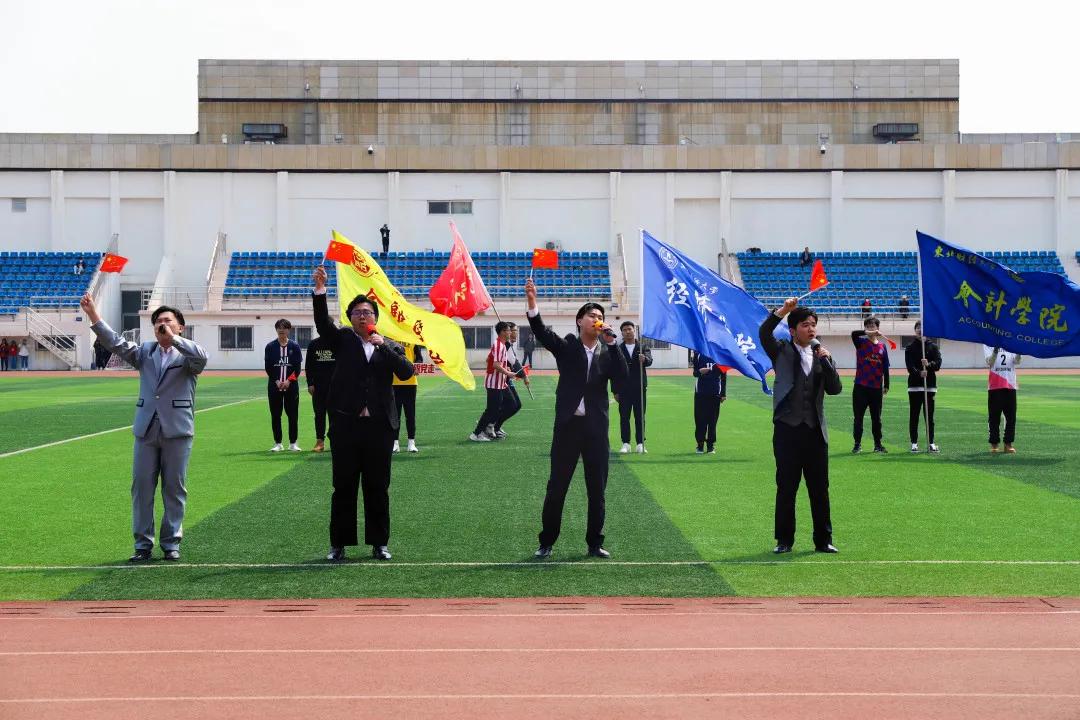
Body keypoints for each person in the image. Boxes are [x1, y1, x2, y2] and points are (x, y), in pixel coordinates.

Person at [80, 293, 208, 562]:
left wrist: (173, 340)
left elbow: (202, 359)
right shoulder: (146, 351)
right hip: (146, 429)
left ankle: (171, 543)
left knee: (174, 488)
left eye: (168, 321)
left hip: (177, 430)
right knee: (142, 488)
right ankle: (142, 545)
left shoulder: (187, 354)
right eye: (158, 321)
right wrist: (93, 315)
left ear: (180, 326)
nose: (162, 324)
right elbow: (115, 343)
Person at [313, 265, 414, 562]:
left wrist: (385, 348)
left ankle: (379, 543)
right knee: (343, 487)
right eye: (357, 312)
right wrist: (320, 291)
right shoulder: (342, 340)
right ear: (350, 318)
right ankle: (338, 544)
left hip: (380, 428)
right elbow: (322, 324)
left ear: (375, 318)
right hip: (346, 426)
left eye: (367, 312)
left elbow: (407, 372)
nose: (362, 316)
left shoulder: (389, 345)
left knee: (377, 487)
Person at [526, 277, 628, 560]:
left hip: (595, 430)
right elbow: (543, 333)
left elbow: (623, 379)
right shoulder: (569, 347)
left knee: (597, 491)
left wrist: (615, 344)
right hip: (568, 429)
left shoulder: (609, 352)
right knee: (557, 488)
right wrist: (533, 304)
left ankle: (594, 543)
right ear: (580, 321)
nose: (597, 320)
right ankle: (546, 541)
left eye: (601, 317)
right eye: (592, 316)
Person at [760, 298, 842, 554]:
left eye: (813, 325)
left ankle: (823, 540)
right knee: (787, 487)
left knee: (820, 489)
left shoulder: (822, 355)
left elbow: (835, 389)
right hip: (787, 430)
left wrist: (828, 363)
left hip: (816, 432)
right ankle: (784, 540)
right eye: (805, 325)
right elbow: (764, 333)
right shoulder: (781, 350)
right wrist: (783, 311)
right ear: (793, 330)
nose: (811, 329)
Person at [469, 321, 516, 442]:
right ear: (502, 332)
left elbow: (494, 362)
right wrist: (508, 372)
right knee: (491, 409)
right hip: (494, 383)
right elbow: (496, 365)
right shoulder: (499, 345)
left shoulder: (502, 344)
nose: (510, 332)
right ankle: (476, 433)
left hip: (501, 383)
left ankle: (492, 427)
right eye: (508, 330)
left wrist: (507, 369)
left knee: (512, 404)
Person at [851, 316, 890, 453]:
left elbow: (885, 367)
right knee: (858, 418)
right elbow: (854, 333)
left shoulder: (882, 346)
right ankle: (857, 444)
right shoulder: (860, 342)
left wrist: (887, 385)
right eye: (868, 326)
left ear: (878, 328)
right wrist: (869, 333)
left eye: (873, 326)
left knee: (876, 418)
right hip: (860, 386)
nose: (870, 328)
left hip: (876, 388)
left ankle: (878, 445)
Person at [613, 321, 652, 454]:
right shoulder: (618, 349)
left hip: (639, 388)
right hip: (623, 389)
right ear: (622, 333)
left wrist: (644, 359)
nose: (627, 331)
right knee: (624, 417)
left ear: (634, 331)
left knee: (640, 417)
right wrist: (615, 390)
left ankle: (640, 443)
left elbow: (650, 360)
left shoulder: (642, 347)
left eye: (630, 329)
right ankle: (626, 443)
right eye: (624, 330)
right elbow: (614, 372)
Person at [264, 319, 303, 452]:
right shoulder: (270, 347)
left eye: (284, 327)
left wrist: (288, 381)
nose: (281, 330)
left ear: (288, 330)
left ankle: (293, 443)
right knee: (276, 415)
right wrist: (276, 381)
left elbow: (297, 368)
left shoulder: (295, 346)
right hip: (274, 386)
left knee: (292, 415)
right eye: (279, 327)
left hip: (291, 387)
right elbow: (268, 367)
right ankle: (278, 443)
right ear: (276, 329)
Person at [906, 321, 941, 453]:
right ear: (915, 330)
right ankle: (914, 443)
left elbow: (938, 364)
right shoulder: (910, 347)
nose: (920, 330)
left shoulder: (933, 346)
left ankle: (931, 442)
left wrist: (929, 364)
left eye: (923, 328)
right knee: (914, 416)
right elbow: (909, 366)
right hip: (914, 386)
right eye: (918, 328)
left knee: (929, 417)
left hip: (929, 386)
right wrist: (919, 373)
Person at [493, 323, 529, 439]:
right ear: (506, 331)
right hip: (500, 380)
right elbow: (513, 362)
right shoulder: (504, 345)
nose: (515, 333)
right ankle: (490, 424)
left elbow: (514, 361)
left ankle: (494, 425)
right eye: (513, 330)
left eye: (515, 330)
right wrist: (524, 376)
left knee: (515, 405)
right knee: (512, 404)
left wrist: (523, 375)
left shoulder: (508, 345)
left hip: (507, 379)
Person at [305, 332, 337, 453]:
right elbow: (309, 366)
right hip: (318, 387)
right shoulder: (313, 344)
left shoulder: (337, 344)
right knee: (319, 414)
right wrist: (310, 383)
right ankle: (320, 441)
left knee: (335, 414)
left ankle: (335, 441)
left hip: (336, 387)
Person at [985, 345, 1020, 454]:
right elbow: (989, 362)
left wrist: (1019, 351)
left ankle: (1008, 444)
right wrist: (995, 351)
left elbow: (1017, 361)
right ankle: (994, 444)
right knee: (994, 417)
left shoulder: (1011, 342)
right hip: (995, 385)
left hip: (1010, 384)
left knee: (1011, 417)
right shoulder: (988, 343)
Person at [692, 352, 727, 454]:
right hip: (700, 392)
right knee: (700, 420)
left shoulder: (719, 354)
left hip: (715, 392)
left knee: (712, 421)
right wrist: (700, 371)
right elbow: (694, 373)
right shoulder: (698, 354)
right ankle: (700, 445)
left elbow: (723, 375)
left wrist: (723, 393)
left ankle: (710, 445)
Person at [392, 342, 424, 453]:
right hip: (394, 383)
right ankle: (395, 443)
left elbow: (419, 359)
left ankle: (411, 443)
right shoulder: (391, 339)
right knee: (395, 415)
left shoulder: (413, 339)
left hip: (411, 382)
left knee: (410, 414)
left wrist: (416, 366)